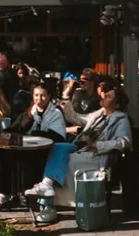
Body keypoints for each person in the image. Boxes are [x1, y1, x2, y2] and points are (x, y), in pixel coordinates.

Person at [26, 85, 132, 224]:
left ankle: (49, 206)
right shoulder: (99, 114)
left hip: (95, 155)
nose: (104, 96)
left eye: (109, 96)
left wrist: (98, 145)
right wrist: (65, 97)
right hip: (79, 147)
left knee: (62, 162)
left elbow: (125, 142)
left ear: (117, 104)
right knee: (56, 148)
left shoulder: (120, 119)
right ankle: (46, 186)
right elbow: (75, 117)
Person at [0, 83, 66, 210]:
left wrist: (36, 133)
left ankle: (27, 193)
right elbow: (16, 128)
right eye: (36, 95)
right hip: (26, 149)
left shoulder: (56, 113)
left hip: (46, 151)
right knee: (6, 157)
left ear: (49, 96)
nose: (39, 99)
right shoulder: (29, 111)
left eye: (43, 96)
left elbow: (59, 137)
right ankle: (5, 193)